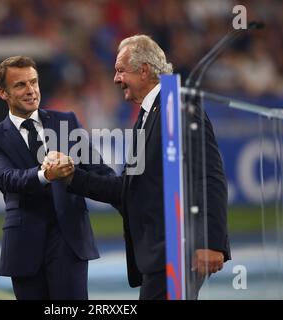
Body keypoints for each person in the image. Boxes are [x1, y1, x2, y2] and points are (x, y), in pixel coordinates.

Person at [44, 35, 231, 300]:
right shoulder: (148, 114)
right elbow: (128, 188)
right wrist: (72, 176)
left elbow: (209, 175)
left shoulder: (176, 106)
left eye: (120, 70)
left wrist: (211, 242)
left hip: (178, 253)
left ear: (144, 71)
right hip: (159, 255)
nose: (115, 79)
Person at [0, 56, 114, 300]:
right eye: (20, 85)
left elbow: (99, 171)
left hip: (70, 240)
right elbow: (8, 179)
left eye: (34, 82)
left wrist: (129, 209)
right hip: (24, 246)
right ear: (2, 93)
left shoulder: (66, 121)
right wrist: (46, 174)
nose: (30, 90)